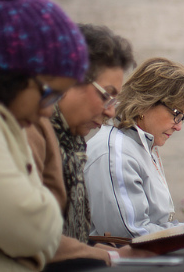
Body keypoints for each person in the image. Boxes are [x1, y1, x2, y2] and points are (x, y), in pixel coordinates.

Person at [0, 0, 88, 271]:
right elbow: (32, 231)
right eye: (50, 93)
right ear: (12, 75)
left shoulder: (0, 117)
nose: (47, 112)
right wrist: (37, 238)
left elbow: (39, 229)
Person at [26, 23, 147, 268]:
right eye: (106, 95)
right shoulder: (30, 133)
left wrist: (91, 247)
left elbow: (65, 235)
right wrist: (110, 255)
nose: (111, 111)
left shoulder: (71, 141)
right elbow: (29, 234)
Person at [85, 57, 184, 244]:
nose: (178, 127)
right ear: (146, 102)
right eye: (176, 114)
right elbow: (130, 236)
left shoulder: (140, 145)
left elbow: (154, 225)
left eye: (182, 117)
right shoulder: (116, 154)